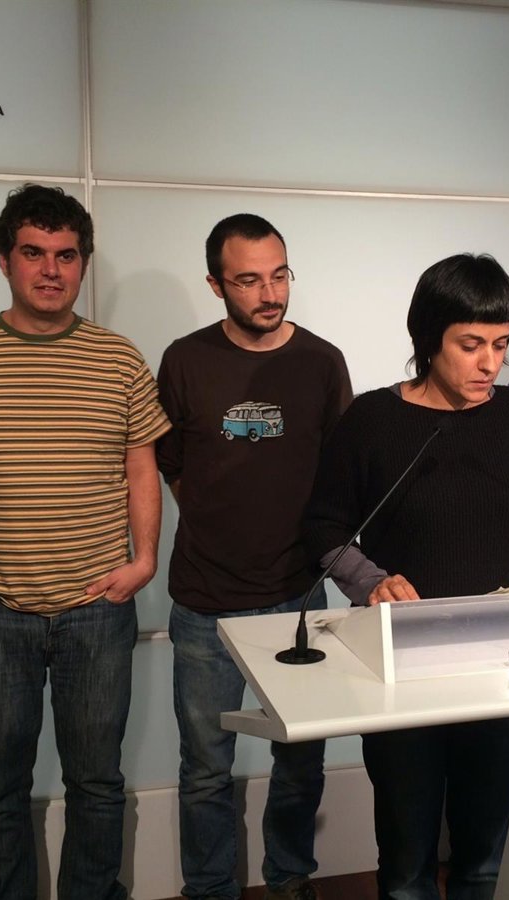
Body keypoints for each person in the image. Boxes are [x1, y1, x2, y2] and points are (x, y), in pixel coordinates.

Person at [304, 253, 509, 900]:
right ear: (428, 339)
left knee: (485, 860)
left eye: (501, 345)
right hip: (404, 664)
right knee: (407, 867)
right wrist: (371, 581)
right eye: (471, 345)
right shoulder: (372, 420)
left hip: (497, 660)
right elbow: (323, 527)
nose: (489, 363)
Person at [0, 184, 169, 900]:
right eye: (34, 253)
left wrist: (144, 562)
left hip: (97, 605)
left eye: (66, 255)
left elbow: (141, 465)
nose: (51, 270)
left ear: (83, 263)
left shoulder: (118, 358)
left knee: (97, 782)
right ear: (5, 261)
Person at [156, 213, 353, 900]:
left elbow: (341, 472)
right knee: (205, 768)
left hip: (299, 596)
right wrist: (220, 523)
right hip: (204, 602)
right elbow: (172, 465)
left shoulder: (322, 361)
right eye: (248, 280)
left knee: (300, 763)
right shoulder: (184, 360)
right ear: (216, 285)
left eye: (279, 275)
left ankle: (289, 880)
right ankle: (210, 888)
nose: (270, 294)